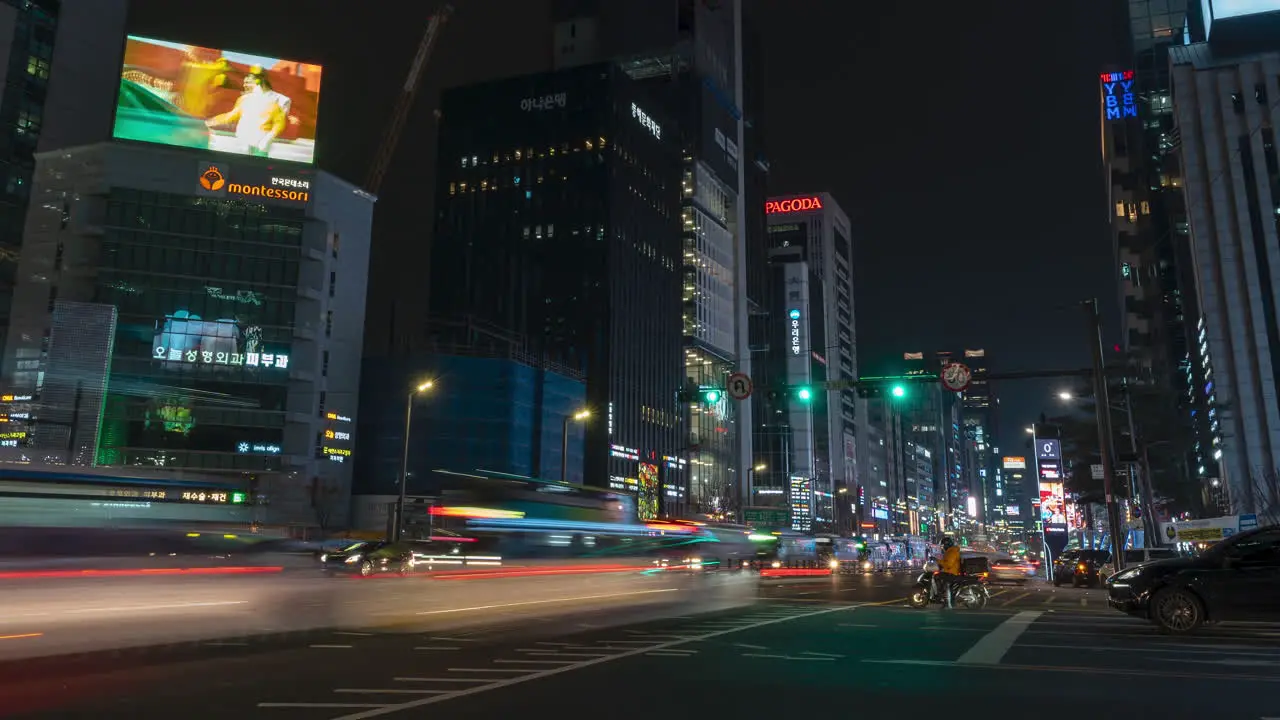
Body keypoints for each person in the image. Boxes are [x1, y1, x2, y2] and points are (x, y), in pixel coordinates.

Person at [205, 67, 290, 157]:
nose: (244, 85)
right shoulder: (244, 99)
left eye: (247, 83)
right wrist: (212, 121)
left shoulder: (281, 100)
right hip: (242, 143)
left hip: (260, 145)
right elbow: (232, 115)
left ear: (258, 81)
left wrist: (266, 140)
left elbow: (279, 124)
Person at [937, 537, 962, 608]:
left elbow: (948, 564)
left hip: (952, 573)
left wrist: (937, 561)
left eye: (943, 546)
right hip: (950, 571)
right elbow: (946, 562)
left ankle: (947, 601)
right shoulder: (950, 551)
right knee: (939, 577)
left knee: (943, 582)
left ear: (946, 545)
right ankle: (945, 600)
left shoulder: (952, 551)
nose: (942, 548)